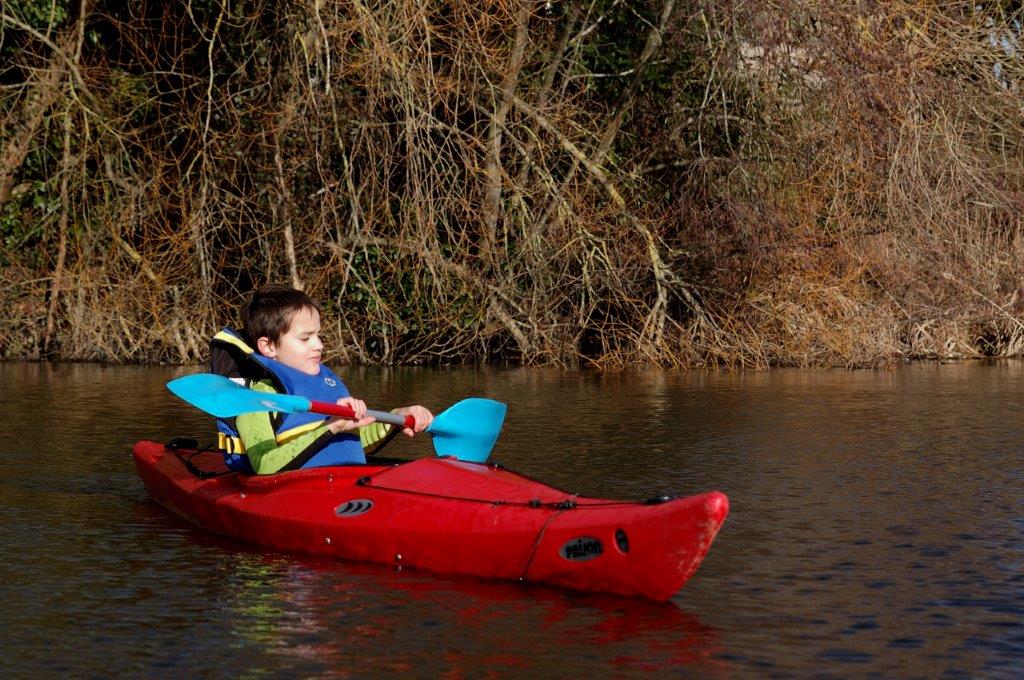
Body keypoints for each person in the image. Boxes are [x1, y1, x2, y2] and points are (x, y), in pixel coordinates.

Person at [209, 284, 433, 474]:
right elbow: (265, 465)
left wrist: (396, 418)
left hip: (347, 483)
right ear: (268, 346)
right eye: (306, 338)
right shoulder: (256, 401)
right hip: (296, 492)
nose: (319, 345)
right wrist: (331, 428)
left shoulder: (329, 386)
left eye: (318, 335)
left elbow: (354, 444)